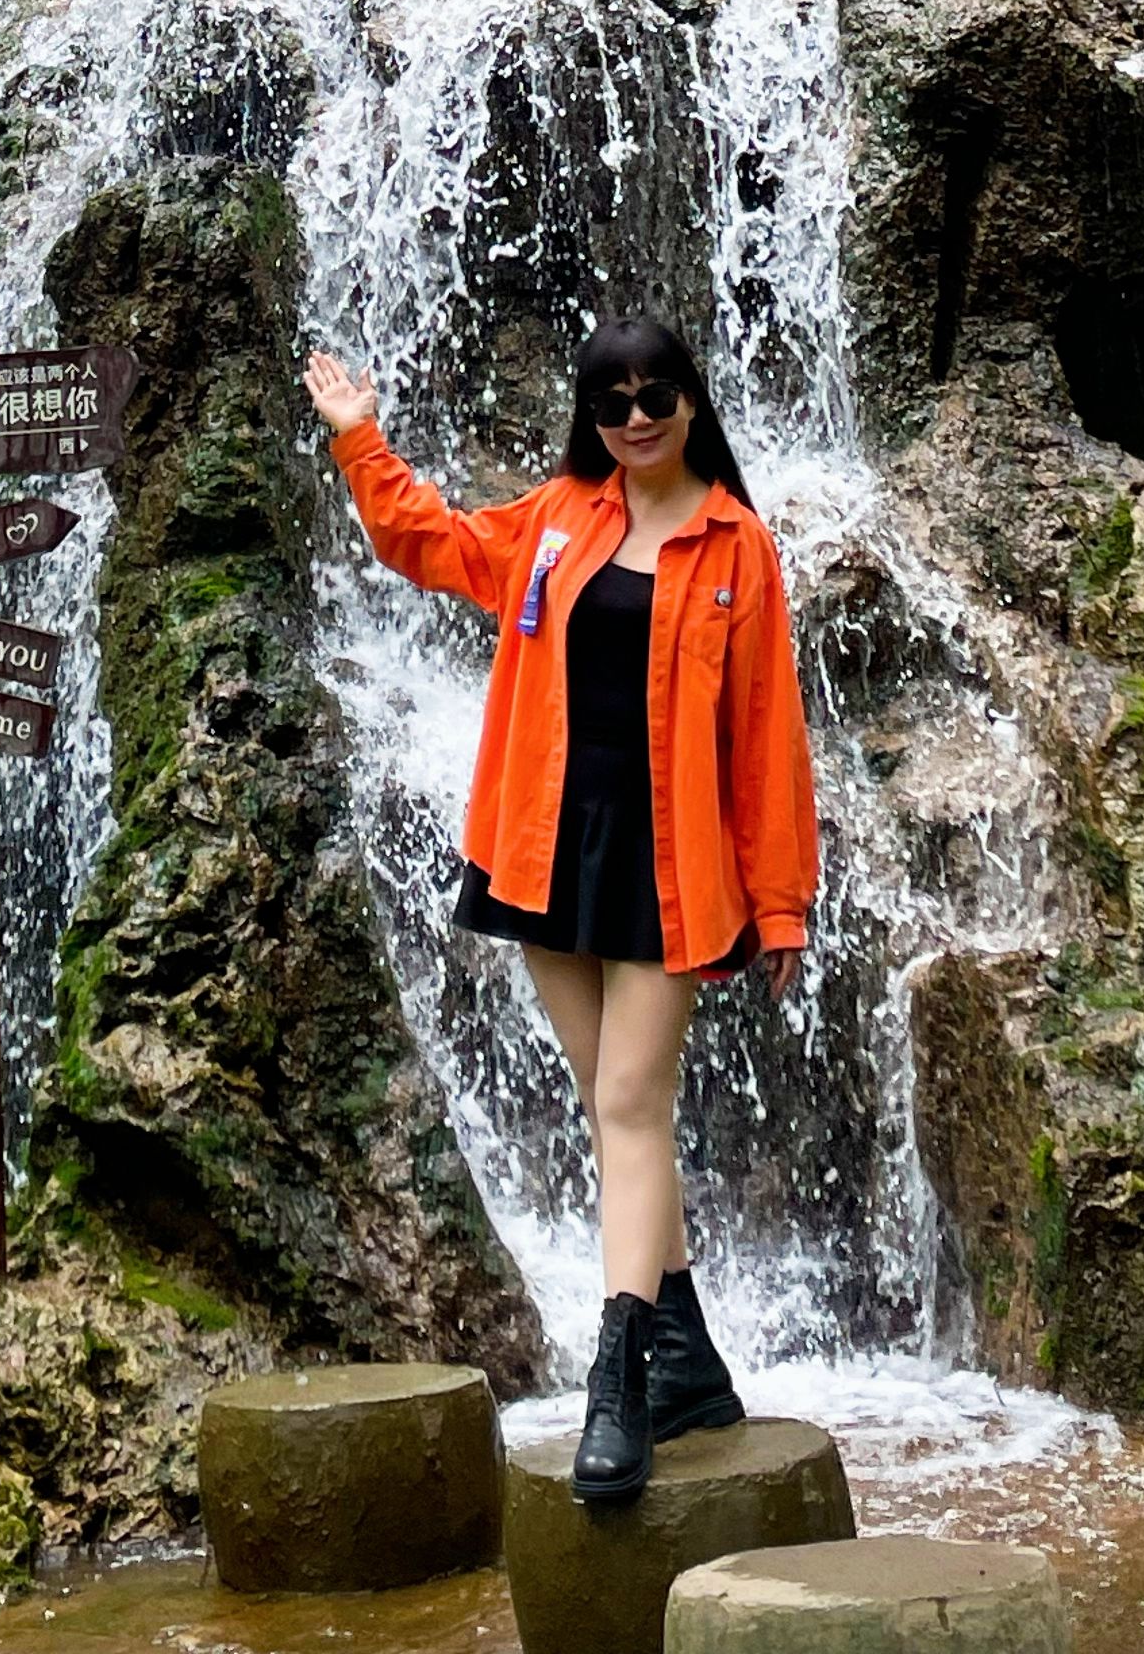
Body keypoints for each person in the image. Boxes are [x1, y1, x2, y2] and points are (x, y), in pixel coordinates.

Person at [302, 321, 817, 1511]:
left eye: (657, 397)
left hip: (670, 864)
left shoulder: (740, 549)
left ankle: (619, 1385)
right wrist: (358, 441)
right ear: (590, 419)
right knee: (617, 1113)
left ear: (693, 402)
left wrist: (780, 904)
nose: (637, 418)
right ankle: (686, 1361)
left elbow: (766, 737)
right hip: (545, 852)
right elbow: (428, 546)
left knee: (631, 1104)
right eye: (614, 403)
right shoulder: (559, 518)